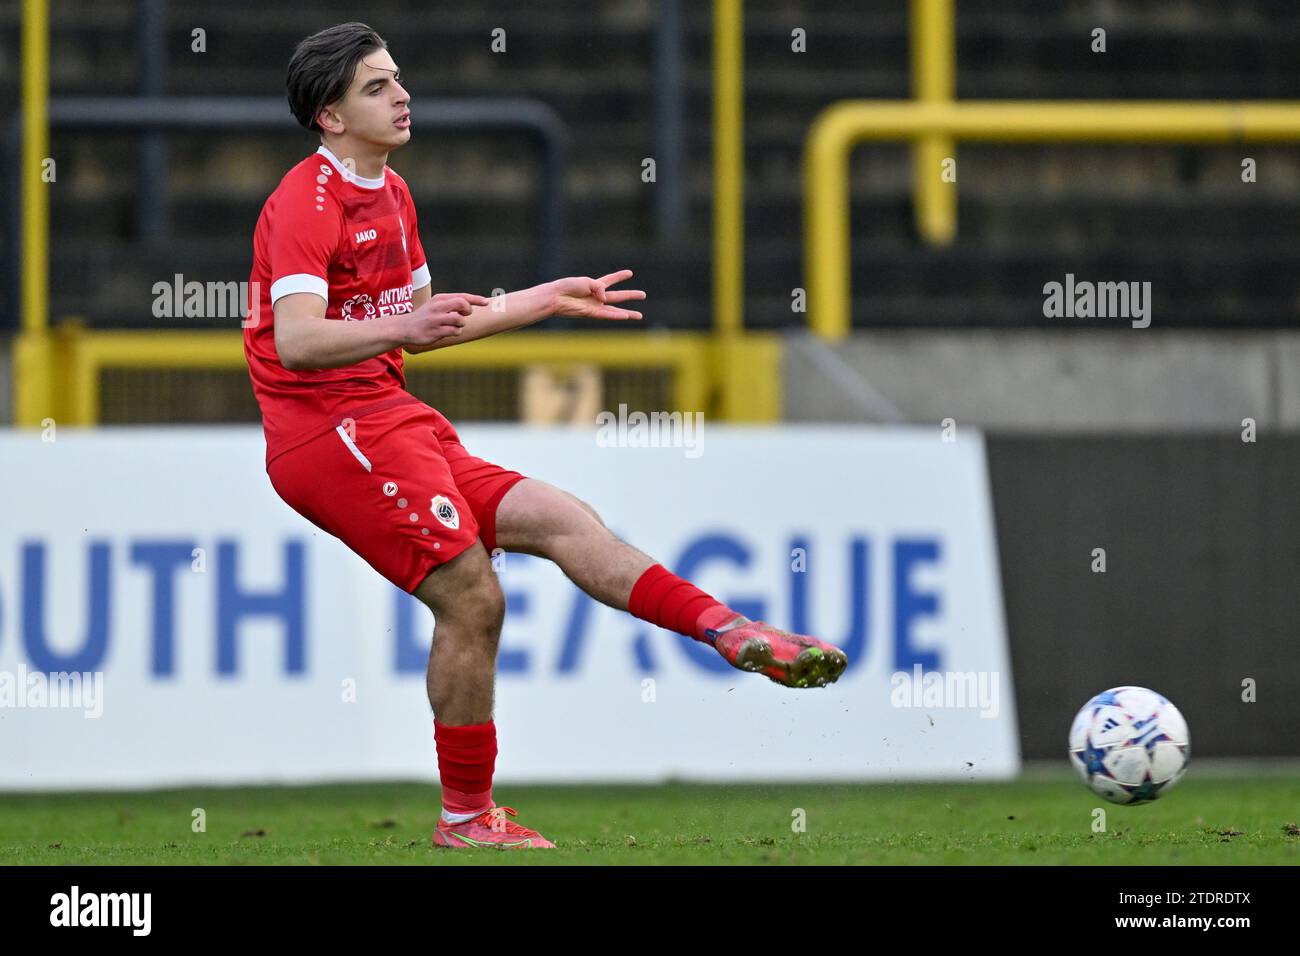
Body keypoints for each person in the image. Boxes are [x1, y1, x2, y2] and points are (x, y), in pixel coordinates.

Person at [244, 22, 848, 850]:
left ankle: (728, 630)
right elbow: (298, 341)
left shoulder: (393, 194)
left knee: (567, 519)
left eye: (397, 78)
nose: (401, 94)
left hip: (390, 417)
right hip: (326, 432)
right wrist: (405, 327)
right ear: (330, 116)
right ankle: (465, 818)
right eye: (377, 86)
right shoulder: (303, 204)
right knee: (471, 593)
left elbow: (431, 327)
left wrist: (540, 300)